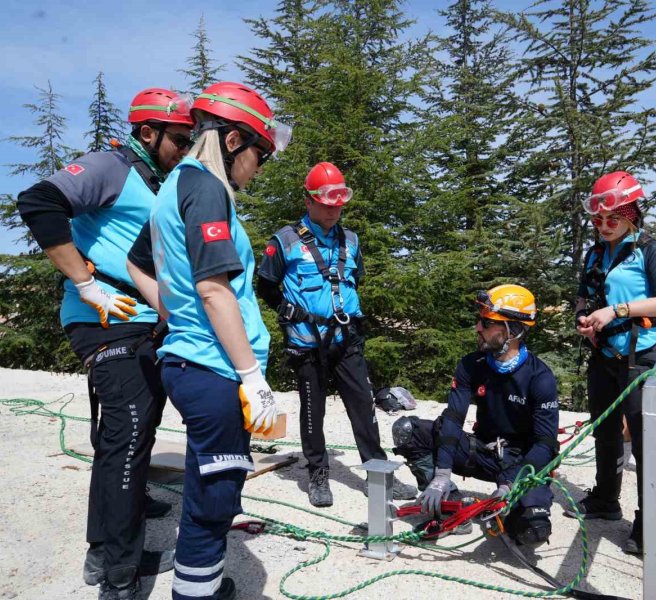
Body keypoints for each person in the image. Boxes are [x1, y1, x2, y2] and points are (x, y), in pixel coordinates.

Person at [16, 88, 194, 599]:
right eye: (180, 139)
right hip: (108, 318)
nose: (185, 149)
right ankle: (120, 574)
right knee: (129, 435)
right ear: (148, 132)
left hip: (140, 320)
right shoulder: (111, 166)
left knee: (127, 433)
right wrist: (84, 282)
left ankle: (106, 543)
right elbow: (38, 200)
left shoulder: (154, 180)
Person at [127, 81, 289, 600]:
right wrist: (252, 377)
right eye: (260, 155)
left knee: (212, 486)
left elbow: (137, 262)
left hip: (198, 361)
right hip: (213, 369)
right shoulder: (205, 187)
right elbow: (215, 289)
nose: (259, 169)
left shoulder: (175, 188)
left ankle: (200, 588)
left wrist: (172, 311)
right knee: (214, 498)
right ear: (236, 141)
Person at [256, 162, 416, 507]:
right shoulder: (284, 241)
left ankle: (381, 479)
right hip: (307, 342)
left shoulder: (352, 240)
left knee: (363, 408)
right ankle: (317, 475)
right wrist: (288, 311)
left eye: (339, 203)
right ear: (308, 200)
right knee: (313, 411)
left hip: (346, 340)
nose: (333, 210)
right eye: (326, 203)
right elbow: (266, 284)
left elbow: (353, 281)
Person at [391, 285, 560, 546]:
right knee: (409, 431)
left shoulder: (540, 377)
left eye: (486, 322)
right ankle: (449, 506)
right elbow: (453, 419)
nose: (477, 328)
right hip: (482, 451)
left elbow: (545, 444)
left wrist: (510, 483)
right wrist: (442, 473)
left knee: (531, 530)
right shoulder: (471, 365)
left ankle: (519, 508)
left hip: (522, 461)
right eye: (479, 320)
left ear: (512, 330)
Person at [564, 171, 656, 556]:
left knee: (647, 442)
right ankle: (605, 500)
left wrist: (617, 310)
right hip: (605, 355)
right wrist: (585, 317)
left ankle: (651, 522)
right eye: (597, 220)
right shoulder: (596, 253)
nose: (604, 226)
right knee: (605, 429)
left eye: (612, 218)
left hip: (643, 355)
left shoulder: (650, 250)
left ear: (631, 214)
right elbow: (583, 295)